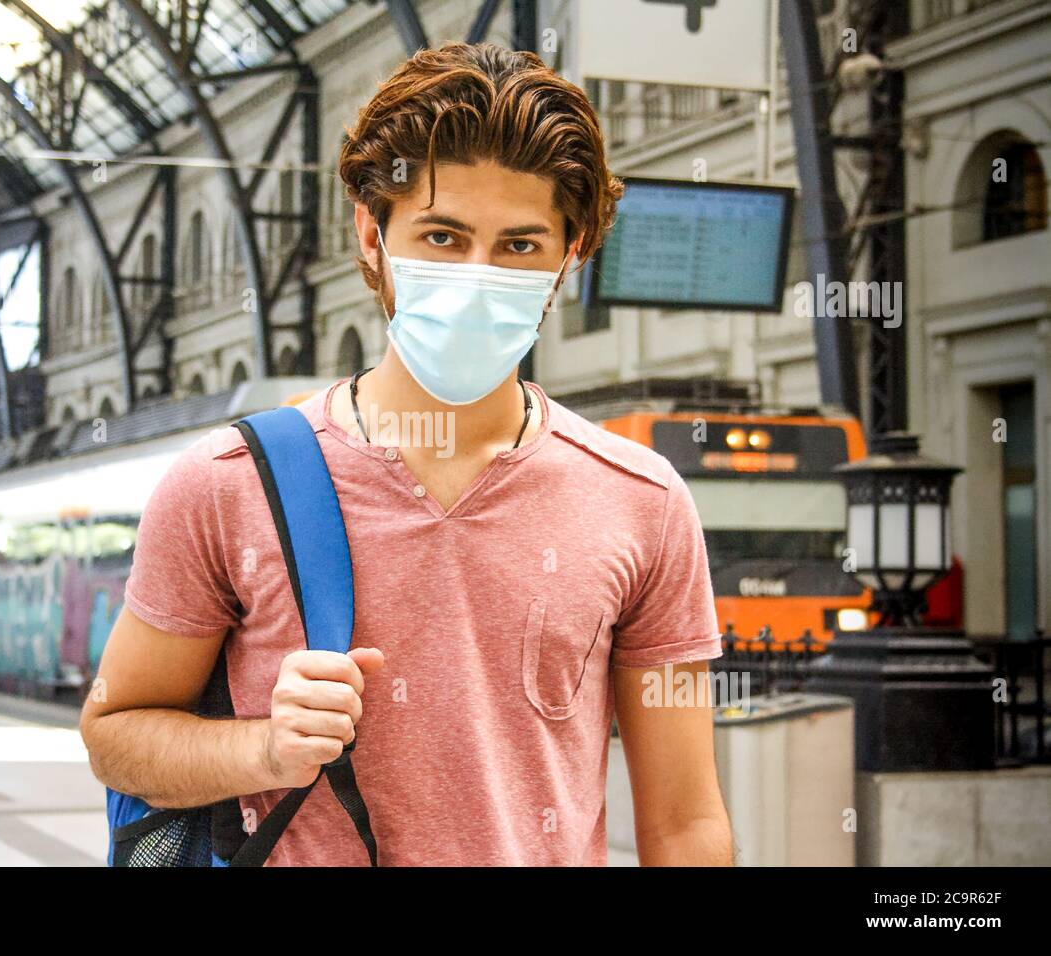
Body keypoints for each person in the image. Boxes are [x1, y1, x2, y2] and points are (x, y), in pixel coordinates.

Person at [81, 41, 734, 866]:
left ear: (570, 256)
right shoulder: (226, 486)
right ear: (372, 234)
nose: (475, 276)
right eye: (442, 235)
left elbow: (684, 822)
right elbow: (115, 734)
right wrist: (265, 751)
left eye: (520, 247)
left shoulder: (643, 500)